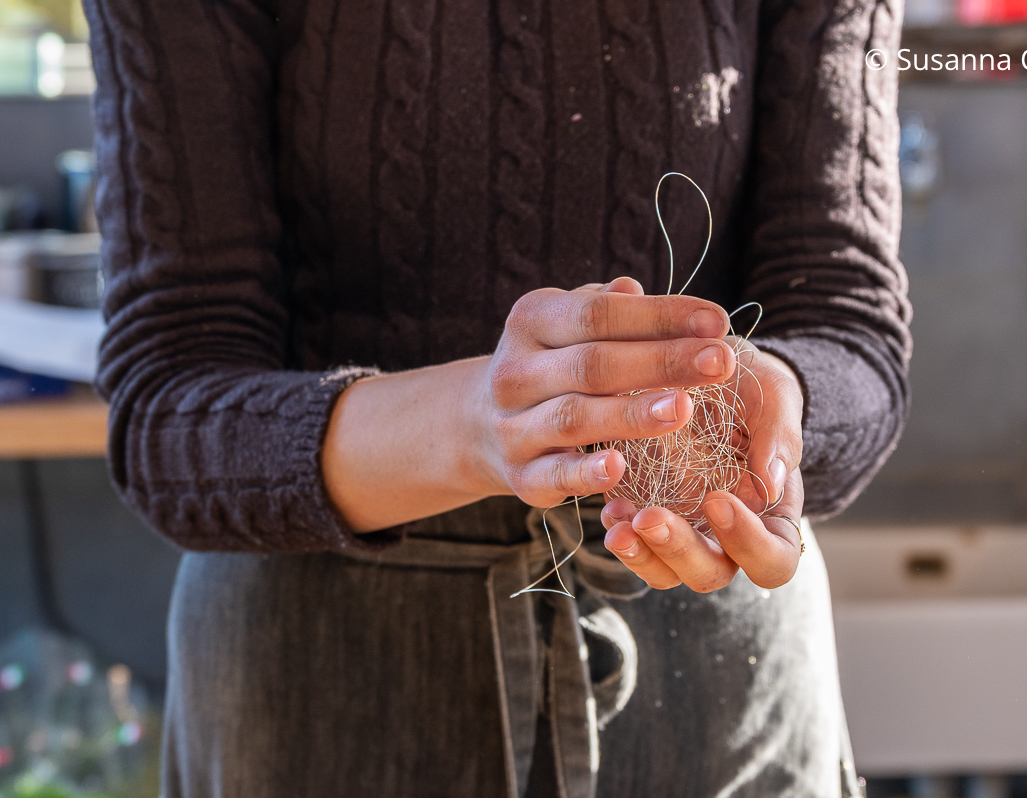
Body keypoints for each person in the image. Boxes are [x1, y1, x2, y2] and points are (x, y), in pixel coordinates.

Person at [85, 0, 911, 795]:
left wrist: (775, 419)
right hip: (317, 665)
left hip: (715, 659)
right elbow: (171, 404)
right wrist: (478, 423)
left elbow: (848, 326)